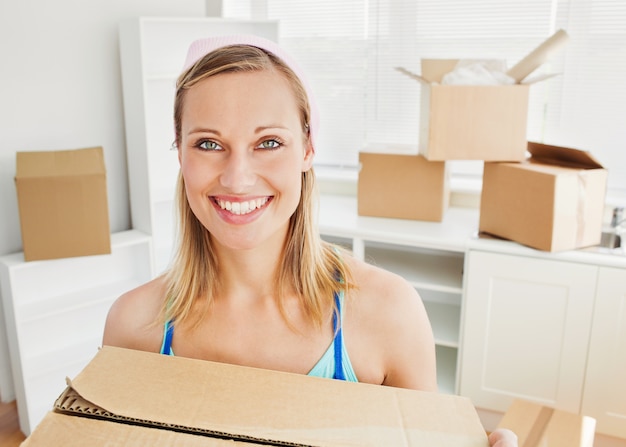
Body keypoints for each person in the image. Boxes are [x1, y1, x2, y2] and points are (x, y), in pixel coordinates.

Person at [103, 35, 517, 447]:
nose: (237, 178)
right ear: (180, 154)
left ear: (308, 149)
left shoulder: (388, 314)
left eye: (268, 142)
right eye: (208, 144)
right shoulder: (134, 326)